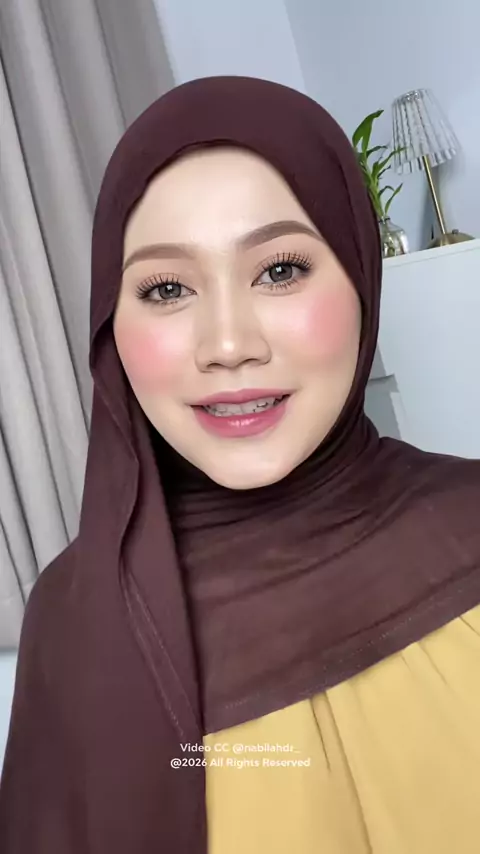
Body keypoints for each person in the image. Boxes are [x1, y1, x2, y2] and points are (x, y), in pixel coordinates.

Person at [0, 76, 479, 854]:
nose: (228, 344)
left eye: (279, 271)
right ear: (110, 325)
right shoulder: (74, 623)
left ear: (360, 273)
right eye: (166, 288)